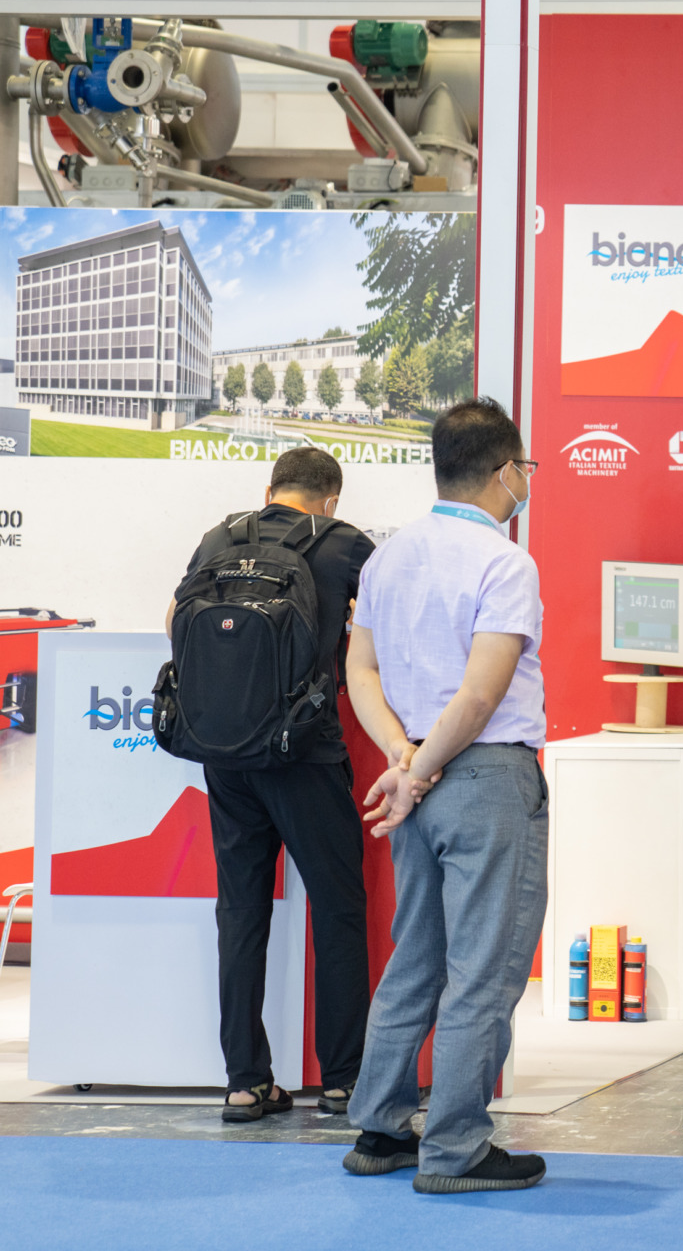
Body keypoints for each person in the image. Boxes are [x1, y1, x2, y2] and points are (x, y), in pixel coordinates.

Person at [338, 398, 551, 1195]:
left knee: (417, 956)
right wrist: (421, 764)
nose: (526, 481)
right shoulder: (506, 563)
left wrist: (402, 756)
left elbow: (360, 671)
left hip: (414, 782)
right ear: (505, 472)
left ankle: (380, 1126)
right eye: (526, 469)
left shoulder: (388, 556)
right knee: (484, 968)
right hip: (483, 777)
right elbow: (481, 694)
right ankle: (456, 1146)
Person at [173, 446, 374, 1124]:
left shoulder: (219, 537)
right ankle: (343, 1082)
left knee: (240, 911)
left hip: (225, 753)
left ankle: (245, 1082)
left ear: (269, 491)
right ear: (331, 499)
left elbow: (175, 621)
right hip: (305, 753)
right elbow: (386, 636)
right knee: (338, 910)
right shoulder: (345, 544)